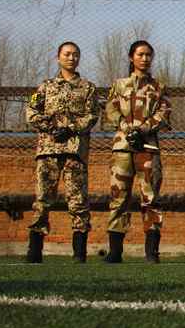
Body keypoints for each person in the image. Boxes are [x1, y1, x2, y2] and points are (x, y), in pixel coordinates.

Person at [24, 41, 99, 263]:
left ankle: (79, 253)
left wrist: (71, 128)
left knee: (77, 201)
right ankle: (35, 251)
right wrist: (51, 127)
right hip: (48, 151)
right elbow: (30, 111)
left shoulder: (88, 88)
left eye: (76, 54)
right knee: (42, 199)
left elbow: (92, 115)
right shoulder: (44, 87)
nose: (71, 58)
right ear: (58, 57)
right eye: (67, 54)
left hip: (75, 152)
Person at [103, 40, 171, 263]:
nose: (145, 58)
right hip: (123, 149)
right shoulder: (120, 84)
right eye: (140, 54)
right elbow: (110, 110)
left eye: (149, 55)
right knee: (118, 198)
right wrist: (126, 128)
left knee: (150, 198)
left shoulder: (159, 87)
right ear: (131, 57)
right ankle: (115, 252)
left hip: (148, 148)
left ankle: (151, 253)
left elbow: (164, 113)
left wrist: (142, 129)